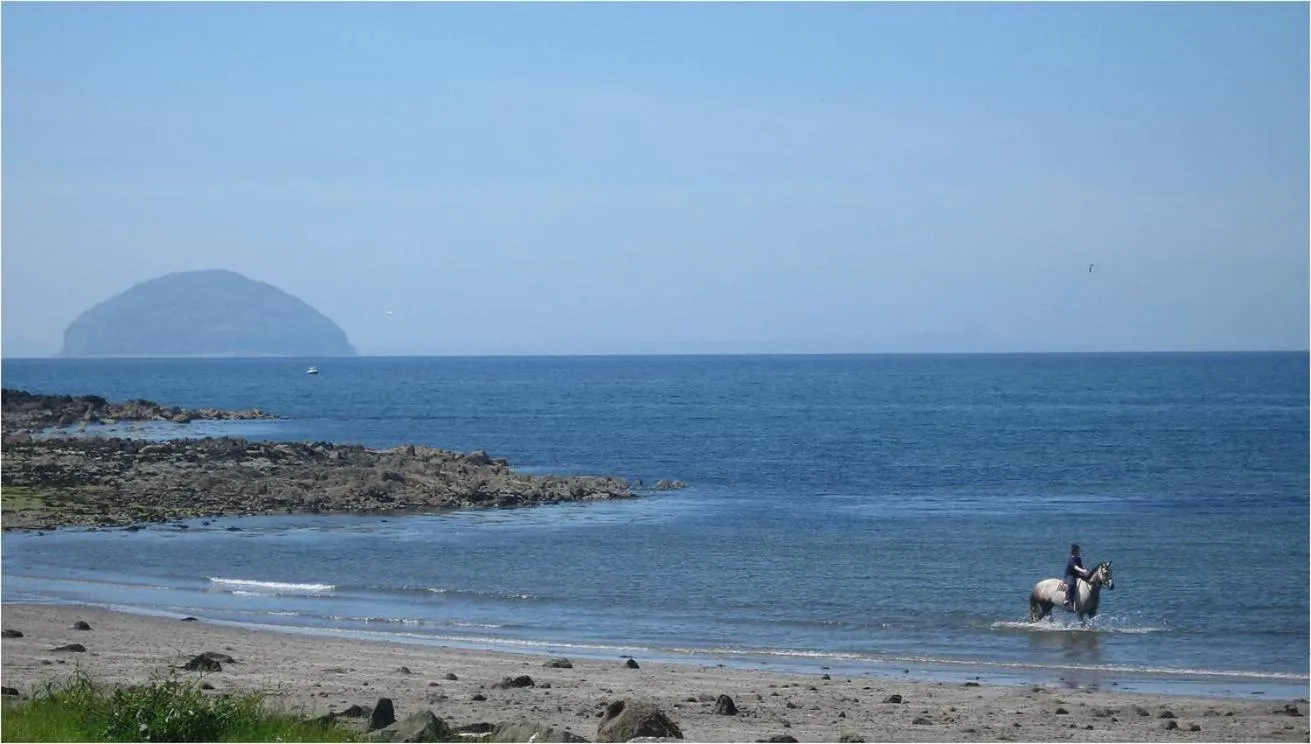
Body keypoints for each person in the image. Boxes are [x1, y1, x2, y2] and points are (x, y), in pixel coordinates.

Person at [1064, 544, 1090, 610]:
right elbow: (1076, 567)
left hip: (1077, 574)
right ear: (1073, 551)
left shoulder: (1078, 559)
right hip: (1070, 575)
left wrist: (1086, 571)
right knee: (1071, 584)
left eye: (1079, 550)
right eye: (1077, 550)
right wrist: (1083, 571)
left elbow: (1081, 566)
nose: (1079, 552)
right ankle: (1067, 599)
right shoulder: (1071, 559)